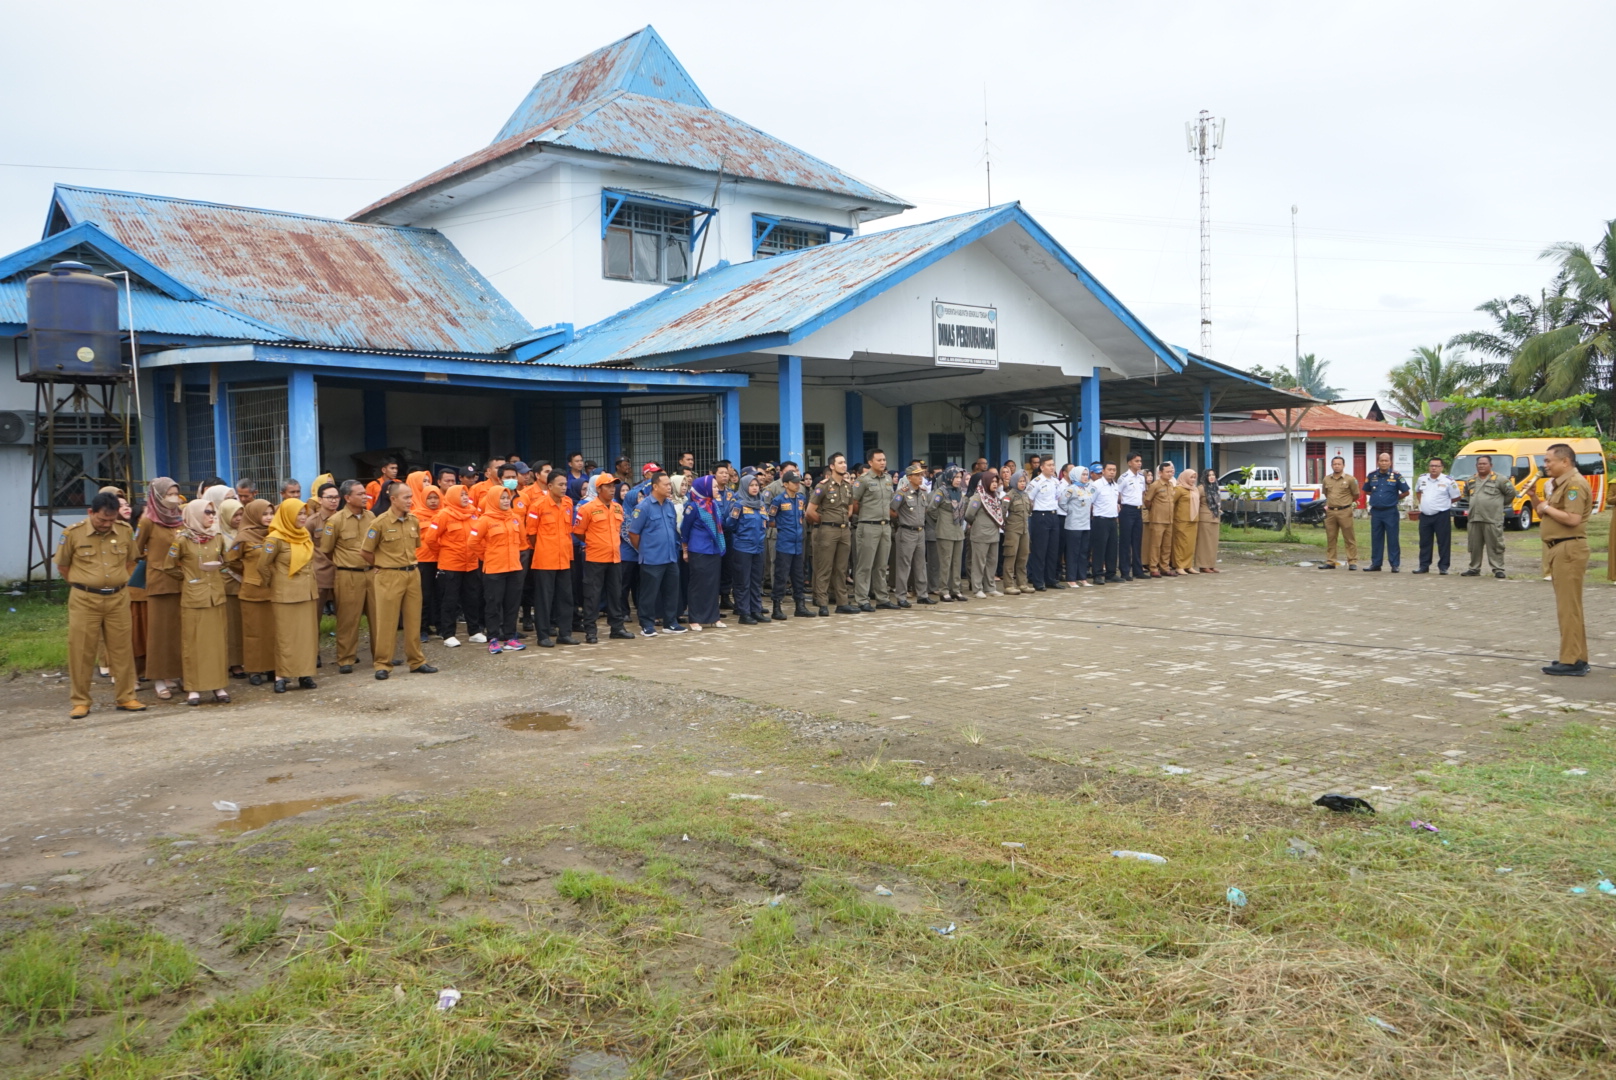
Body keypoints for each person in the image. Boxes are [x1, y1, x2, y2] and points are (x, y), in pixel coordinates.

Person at [57, 491, 146, 719]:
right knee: (81, 650)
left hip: (118, 598)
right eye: (102, 519)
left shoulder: (124, 531)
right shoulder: (73, 534)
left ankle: (126, 697)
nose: (107, 524)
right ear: (91, 512)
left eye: (111, 520)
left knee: (122, 649)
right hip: (85, 599)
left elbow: (131, 561)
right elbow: (63, 566)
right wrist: (85, 584)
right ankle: (80, 701)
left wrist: (117, 581)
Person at [165, 499, 230, 706]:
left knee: (216, 643)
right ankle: (193, 687)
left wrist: (215, 573)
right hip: (194, 598)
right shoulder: (182, 540)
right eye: (207, 512)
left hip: (215, 596)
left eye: (213, 512)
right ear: (194, 514)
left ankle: (218, 685)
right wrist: (188, 578)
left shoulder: (217, 537)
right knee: (194, 643)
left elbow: (226, 561)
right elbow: (169, 566)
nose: (211, 516)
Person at [1535, 443, 1592, 675]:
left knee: (1568, 608)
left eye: (1549, 460)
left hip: (1569, 549)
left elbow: (1572, 519)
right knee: (1571, 607)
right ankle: (1577, 656)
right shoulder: (1560, 484)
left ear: (1565, 461)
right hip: (1560, 548)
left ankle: (1571, 661)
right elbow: (1543, 511)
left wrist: (1547, 508)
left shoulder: (1574, 484)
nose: (1545, 465)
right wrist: (1535, 498)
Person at [258, 498, 319, 693]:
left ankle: (304, 674)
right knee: (286, 637)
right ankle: (281, 676)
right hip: (285, 594)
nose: (302, 517)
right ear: (287, 515)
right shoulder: (275, 539)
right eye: (298, 513)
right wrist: (276, 582)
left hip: (306, 593)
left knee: (306, 636)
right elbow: (263, 566)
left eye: (304, 513)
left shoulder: (304, 535)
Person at [134, 477, 185, 701]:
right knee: (159, 633)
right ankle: (159, 679)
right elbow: (135, 550)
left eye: (175, 494)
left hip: (182, 581)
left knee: (179, 632)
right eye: (168, 494)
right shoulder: (148, 521)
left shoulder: (180, 518)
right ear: (157, 496)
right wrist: (154, 561)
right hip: (160, 583)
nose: (173, 498)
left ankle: (179, 673)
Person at [321, 481, 375, 673]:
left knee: (379, 617)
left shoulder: (371, 517)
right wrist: (345, 562)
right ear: (347, 498)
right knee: (348, 619)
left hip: (372, 573)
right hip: (348, 575)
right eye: (360, 494)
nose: (365, 497)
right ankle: (345, 659)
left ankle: (382, 656)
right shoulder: (335, 521)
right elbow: (326, 550)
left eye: (365, 493)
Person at [574, 473, 633, 643]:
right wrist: (595, 543)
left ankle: (617, 628)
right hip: (595, 558)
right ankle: (591, 631)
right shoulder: (587, 508)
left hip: (615, 558)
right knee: (592, 596)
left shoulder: (618, 508)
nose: (612, 489)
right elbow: (579, 532)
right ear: (599, 489)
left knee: (615, 594)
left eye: (613, 486)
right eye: (608, 486)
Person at [469, 484, 527, 654]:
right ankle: (493, 638)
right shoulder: (485, 520)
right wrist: (486, 556)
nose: (506, 501)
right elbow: (472, 542)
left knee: (512, 605)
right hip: (494, 569)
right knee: (493, 605)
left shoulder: (515, 518)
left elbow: (522, 541)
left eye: (507, 497)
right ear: (494, 500)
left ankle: (510, 638)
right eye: (502, 498)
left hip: (514, 568)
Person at [628, 471, 686, 635]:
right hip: (652, 558)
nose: (669, 487)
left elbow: (673, 528)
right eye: (665, 485)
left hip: (670, 556)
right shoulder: (643, 507)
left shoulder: (669, 505)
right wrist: (644, 549)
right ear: (655, 486)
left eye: (670, 485)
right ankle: (647, 625)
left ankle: (670, 623)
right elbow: (633, 533)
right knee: (649, 594)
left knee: (671, 592)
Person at [229, 499, 277, 684]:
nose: (269, 517)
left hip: (274, 590)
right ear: (254, 515)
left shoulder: (276, 533)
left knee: (273, 632)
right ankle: (254, 670)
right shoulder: (244, 537)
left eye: (271, 513)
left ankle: (273, 668)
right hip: (253, 591)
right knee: (254, 633)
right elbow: (231, 560)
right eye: (264, 514)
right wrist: (248, 572)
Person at [427, 485, 481, 647]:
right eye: (461, 495)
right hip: (451, 564)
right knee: (449, 600)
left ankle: (474, 631)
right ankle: (448, 634)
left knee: (472, 598)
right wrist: (443, 553)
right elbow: (430, 539)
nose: (465, 498)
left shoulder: (473, 513)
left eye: (466, 494)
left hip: (471, 564)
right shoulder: (443, 515)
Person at [529, 469, 578, 647]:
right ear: (550, 486)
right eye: (560, 484)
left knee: (566, 598)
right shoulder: (537, 506)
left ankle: (565, 634)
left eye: (565, 484)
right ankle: (543, 635)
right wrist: (544, 547)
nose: (564, 488)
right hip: (545, 559)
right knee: (544, 599)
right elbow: (531, 534)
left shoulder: (568, 503)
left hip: (564, 558)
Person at [808, 452, 856, 616]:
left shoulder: (848, 486)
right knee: (824, 568)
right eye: (840, 463)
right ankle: (822, 603)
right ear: (832, 466)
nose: (844, 465)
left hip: (844, 529)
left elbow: (850, 508)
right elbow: (810, 511)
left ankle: (842, 602)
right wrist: (825, 522)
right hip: (828, 530)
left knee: (841, 569)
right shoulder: (823, 486)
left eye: (844, 462)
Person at [850, 448, 896, 611]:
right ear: (870, 462)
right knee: (865, 565)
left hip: (885, 526)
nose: (883, 462)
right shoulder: (863, 480)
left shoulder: (888, 479)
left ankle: (882, 598)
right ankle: (862, 599)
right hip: (868, 526)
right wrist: (866, 515)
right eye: (879, 460)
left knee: (882, 565)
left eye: (884, 459)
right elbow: (853, 503)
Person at [682, 475, 727, 629]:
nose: (717, 489)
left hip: (714, 549)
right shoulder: (693, 507)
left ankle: (714, 617)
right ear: (705, 488)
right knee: (698, 585)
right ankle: (695, 619)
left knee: (713, 584)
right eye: (713, 487)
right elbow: (685, 530)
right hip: (699, 550)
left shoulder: (713, 504)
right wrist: (685, 550)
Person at [724, 473, 768, 623]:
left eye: (756, 485)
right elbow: (730, 524)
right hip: (742, 547)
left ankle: (756, 610)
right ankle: (744, 612)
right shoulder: (739, 504)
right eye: (751, 485)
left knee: (756, 581)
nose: (755, 488)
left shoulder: (761, 504)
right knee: (743, 582)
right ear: (744, 487)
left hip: (758, 547)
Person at [1461, 454, 1513, 579]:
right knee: (1474, 546)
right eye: (1479, 464)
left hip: (1492, 518)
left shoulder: (1500, 479)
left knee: (1495, 545)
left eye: (1484, 463)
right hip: (1474, 518)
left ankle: (1498, 569)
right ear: (1476, 465)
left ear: (1491, 465)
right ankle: (1474, 568)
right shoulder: (1471, 480)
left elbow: (1511, 493)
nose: (1481, 466)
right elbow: (1466, 494)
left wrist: (1498, 504)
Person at [889, 464, 932, 607]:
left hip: (920, 531)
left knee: (921, 564)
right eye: (917, 475)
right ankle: (901, 596)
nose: (920, 477)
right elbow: (891, 510)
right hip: (907, 531)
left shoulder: (923, 492)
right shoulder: (902, 493)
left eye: (921, 475)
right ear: (909, 478)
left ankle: (922, 594)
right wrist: (901, 519)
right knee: (904, 565)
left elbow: (925, 510)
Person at [770, 470, 811, 617]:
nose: (797, 485)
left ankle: (800, 606)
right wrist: (783, 527)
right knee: (781, 576)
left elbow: (801, 517)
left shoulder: (801, 499)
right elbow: (770, 519)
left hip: (798, 544)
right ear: (786, 484)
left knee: (798, 576)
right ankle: (776, 607)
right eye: (794, 482)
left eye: (798, 482)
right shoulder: (778, 500)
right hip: (784, 544)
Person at [1361, 452, 1408, 572]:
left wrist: (1394, 498)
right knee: (1376, 538)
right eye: (1381, 460)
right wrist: (1377, 497)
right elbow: (1367, 490)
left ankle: (1394, 564)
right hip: (1376, 512)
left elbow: (1406, 492)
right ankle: (1376, 564)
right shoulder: (1372, 475)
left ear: (1390, 462)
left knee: (1393, 538)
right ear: (1378, 462)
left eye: (1386, 460)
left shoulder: (1396, 476)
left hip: (1390, 512)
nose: (1384, 463)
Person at [1413, 457, 1460, 574]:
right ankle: (1424, 566)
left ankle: (1443, 567)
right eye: (1431, 466)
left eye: (1437, 466)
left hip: (1441, 515)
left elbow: (1456, 496)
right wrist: (1423, 503)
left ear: (1442, 467)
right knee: (1424, 542)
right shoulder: (1422, 478)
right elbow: (1418, 491)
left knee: (1443, 542)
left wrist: (1444, 504)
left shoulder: (1448, 481)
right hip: (1425, 515)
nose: (1433, 468)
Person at [216, 498, 247, 677]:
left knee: (242, 625)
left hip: (244, 585)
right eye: (235, 515)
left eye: (241, 514)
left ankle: (242, 659)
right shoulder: (218, 535)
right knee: (231, 626)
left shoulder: (244, 533)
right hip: (228, 586)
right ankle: (232, 662)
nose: (239, 518)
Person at [929, 467, 968, 602]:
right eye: (956, 477)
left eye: (960, 477)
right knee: (946, 562)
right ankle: (944, 590)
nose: (958, 480)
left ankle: (955, 589)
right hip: (945, 531)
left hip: (958, 531)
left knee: (957, 562)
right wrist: (940, 521)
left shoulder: (959, 492)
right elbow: (931, 509)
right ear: (949, 477)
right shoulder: (941, 492)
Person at [1025, 458, 1064, 590]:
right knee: (1040, 550)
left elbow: (1058, 498)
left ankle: (1050, 579)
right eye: (1049, 465)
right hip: (1040, 516)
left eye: (1053, 465)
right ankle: (1038, 581)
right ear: (1042, 467)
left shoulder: (1056, 481)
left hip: (1053, 515)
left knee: (1053, 550)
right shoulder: (1036, 482)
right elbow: (1029, 499)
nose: (1052, 467)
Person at [965, 469, 1005, 598]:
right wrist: (977, 524)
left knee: (992, 562)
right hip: (980, 534)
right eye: (992, 481)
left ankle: (990, 587)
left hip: (994, 534)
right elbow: (969, 514)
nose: (995, 484)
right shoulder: (978, 497)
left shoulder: (995, 497)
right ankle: (977, 588)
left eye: (996, 481)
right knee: (979, 563)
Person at [1319, 456, 1361, 570]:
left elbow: (1356, 495)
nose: (1337, 466)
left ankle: (1352, 561)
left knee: (1349, 537)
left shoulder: (1350, 479)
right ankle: (1331, 561)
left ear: (1343, 465)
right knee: (1331, 537)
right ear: (1331, 465)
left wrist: (1345, 503)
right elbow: (1326, 494)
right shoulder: (1326, 479)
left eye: (1339, 464)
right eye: (1334, 464)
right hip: (1331, 512)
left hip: (1345, 512)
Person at [1059, 466, 1093, 587]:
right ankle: (1071, 578)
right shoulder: (1071, 489)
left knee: (1083, 552)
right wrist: (1071, 511)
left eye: (1086, 474)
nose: (1085, 477)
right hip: (1073, 525)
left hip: (1085, 524)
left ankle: (1082, 577)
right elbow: (1062, 502)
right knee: (1073, 552)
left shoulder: (1087, 489)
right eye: (1083, 474)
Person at [1143, 461, 1176, 578]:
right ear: (1160, 473)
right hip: (1157, 520)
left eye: (1171, 471)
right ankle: (1153, 567)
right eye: (1167, 472)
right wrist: (1154, 511)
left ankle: (1165, 567)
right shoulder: (1155, 485)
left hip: (1169, 520)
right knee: (1155, 545)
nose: (1170, 474)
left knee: (1167, 546)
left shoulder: (1171, 485)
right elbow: (1147, 501)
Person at [1117, 453, 1148, 581]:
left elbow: (1142, 493)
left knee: (1137, 541)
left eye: (1140, 461)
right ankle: (1124, 571)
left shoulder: (1141, 477)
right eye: (1136, 461)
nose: (1139, 463)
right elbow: (1117, 493)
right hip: (1127, 510)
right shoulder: (1124, 477)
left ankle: (1137, 570)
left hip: (1138, 510)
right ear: (1129, 463)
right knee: (1125, 541)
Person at [1000, 471, 1032, 594]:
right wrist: (1006, 525)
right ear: (1014, 482)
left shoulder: (1025, 495)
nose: (1023, 484)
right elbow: (1002, 513)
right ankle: (1008, 585)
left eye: (1024, 481)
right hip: (1013, 530)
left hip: (1024, 530)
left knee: (1023, 556)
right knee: (1011, 556)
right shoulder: (1009, 496)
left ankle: (1022, 583)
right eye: (1020, 481)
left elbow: (1029, 511)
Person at [1090, 463, 1121, 584]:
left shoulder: (1115, 485)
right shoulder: (1096, 485)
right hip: (1100, 520)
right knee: (1099, 548)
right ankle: (1097, 574)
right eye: (1109, 469)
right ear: (1103, 471)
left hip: (1113, 520)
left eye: (1114, 470)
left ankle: (1111, 573)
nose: (1112, 472)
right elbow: (1090, 501)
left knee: (1112, 548)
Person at [1172, 468, 1200, 574]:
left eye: (1194, 477)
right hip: (1181, 520)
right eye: (1191, 477)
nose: (1193, 480)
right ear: (1185, 477)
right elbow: (1171, 502)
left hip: (1193, 520)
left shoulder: (1194, 489)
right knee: (1180, 543)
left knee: (1190, 544)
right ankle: (1179, 566)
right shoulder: (1179, 489)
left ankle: (1188, 565)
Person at [1194, 471, 1222, 573]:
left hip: (1215, 517)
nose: (1211, 477)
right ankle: (1203, 565)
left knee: (1213, 543)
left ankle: (1211, 564)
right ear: (1205, 477)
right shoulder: (1201, 488)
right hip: (1204, 518)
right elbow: (1195, 503)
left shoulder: (1215, 487)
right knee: (1204, 542)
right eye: (1209, 475)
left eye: (1213, 475)